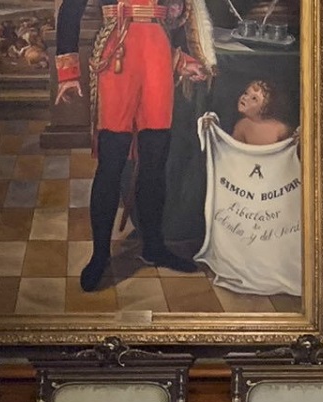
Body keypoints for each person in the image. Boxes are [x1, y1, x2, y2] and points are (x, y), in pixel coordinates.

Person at [54, 0, 213, 292]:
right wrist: (68, 73)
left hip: (158, 59)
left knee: (155, 162)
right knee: (111, 163)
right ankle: (100, 255)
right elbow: (71, 9)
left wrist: (182, 59)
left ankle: (153, 246)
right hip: (117, 56)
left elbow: (179, 15)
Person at [230, 79, 294, 146]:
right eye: (246, 93)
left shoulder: (280, 130)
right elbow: (235, 151)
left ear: (264, 108)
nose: (245, 98)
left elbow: (292, 149)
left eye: (254, 98)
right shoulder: (241, 126)